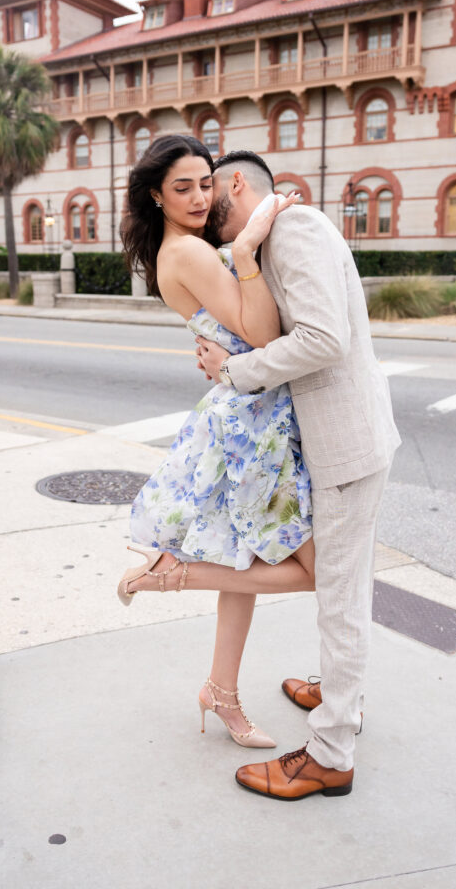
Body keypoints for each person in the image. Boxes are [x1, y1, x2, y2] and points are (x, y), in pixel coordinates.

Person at [195, 150, 401, 800]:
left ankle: (330, 751)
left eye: (209, 193)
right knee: (344, 586)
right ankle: (341, 691)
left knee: (338, 601)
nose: (205, 218)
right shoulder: (271, 237)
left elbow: (321, 339)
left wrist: (234, 371)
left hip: (343, 445)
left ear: (236, 183)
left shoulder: (298, 228)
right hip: (341, 442)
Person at [118, 134, 317, 750]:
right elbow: (260, 329)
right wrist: (250, 248)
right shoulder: (191, 254)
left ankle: (220, 692)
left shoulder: (182, 249)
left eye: (205, 182)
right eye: (182, 187)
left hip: (245, 414)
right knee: (312, 571)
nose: (200, 196)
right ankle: (172, 572)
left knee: (246, 568)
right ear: (156, 195)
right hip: (252, 428)